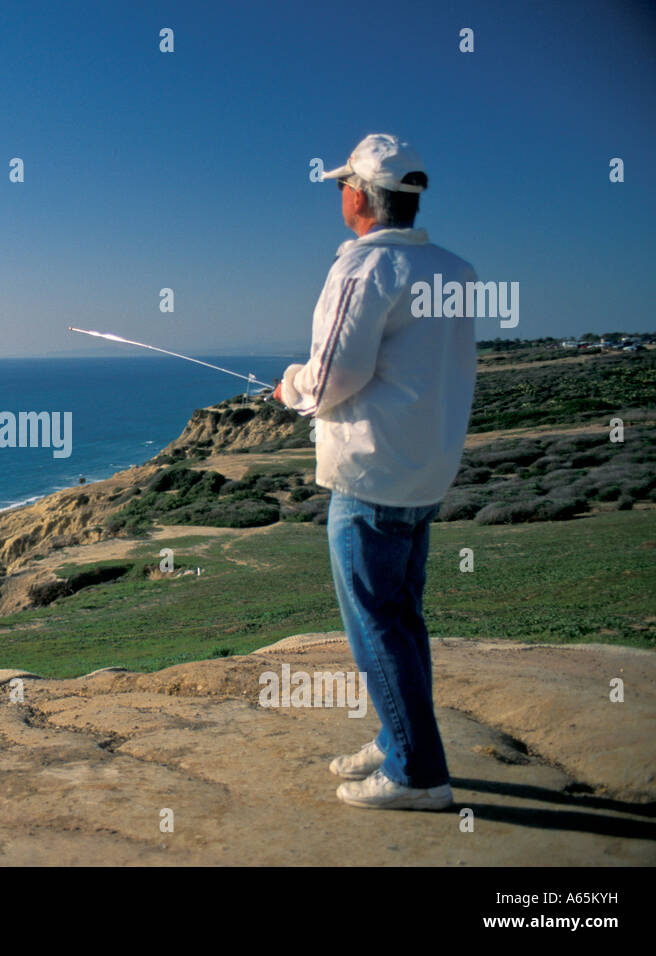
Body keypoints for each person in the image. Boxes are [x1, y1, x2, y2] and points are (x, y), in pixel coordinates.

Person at [271, 134, 477, 810]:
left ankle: (419, 775)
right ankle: (398, 742)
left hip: (371, 477)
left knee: (378, 626)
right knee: (402, 618)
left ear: (359, 194)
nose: (339, 194)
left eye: (341, 185)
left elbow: (333, 375)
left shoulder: (363, 269)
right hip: (424, 472)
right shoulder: (455, 270)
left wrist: (291, 388)